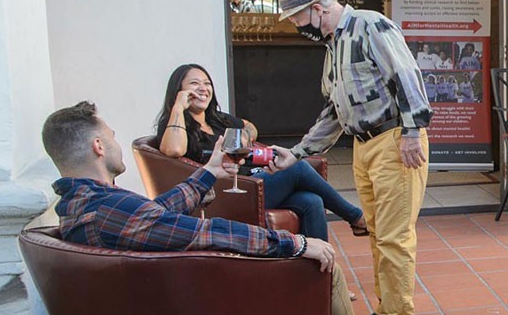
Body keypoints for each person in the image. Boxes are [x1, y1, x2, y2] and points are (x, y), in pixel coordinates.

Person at [41, 101, 409, 315]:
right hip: (201, 304)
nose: (117, 142)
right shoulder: (106, 208)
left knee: (309, 201)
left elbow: (154, 216)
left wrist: (207, 175)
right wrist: (293, 243)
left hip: (170, 301)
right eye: (111, 137)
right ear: (98, 147)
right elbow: (205, 232)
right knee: (321, 265)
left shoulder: (86, 203)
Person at [272, 0, 431, 315]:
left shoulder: (370, 24)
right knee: (377, 232)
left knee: (394, 234)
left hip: (395, 140)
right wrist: (299, 152)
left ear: (317, 8)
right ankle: (386, 309)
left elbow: (407, 75)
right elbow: (333, 111)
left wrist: (412, 131)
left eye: (296, 18)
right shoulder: (334, 45)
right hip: (364, 145)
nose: (295, 26)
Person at [153, 63, 367, 242]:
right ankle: (356, 217)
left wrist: (245, 136)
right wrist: (179, 107)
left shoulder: (218, 120)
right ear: (179, 89)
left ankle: (323, 281)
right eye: (194, 83)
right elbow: (173, 149)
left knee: (311, 201)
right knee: (298, 165)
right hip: (222, 196)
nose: (203, 88)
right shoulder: (176, 125)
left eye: (207, 83)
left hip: (248, 183)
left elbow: (250, 126)